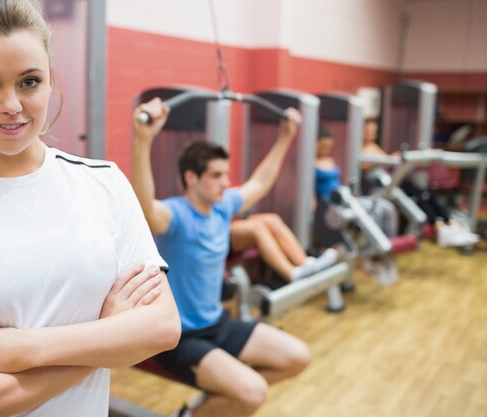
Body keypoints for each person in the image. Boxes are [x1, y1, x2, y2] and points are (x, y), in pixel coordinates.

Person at [0, 1, 180, 416]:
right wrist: (106, 338)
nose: (11, 104)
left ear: (49, 81)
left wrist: (27, 349)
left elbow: (162, 327)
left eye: (28, 81)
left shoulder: (104, 182)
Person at [131, 99, 310, 417]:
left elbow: (261, 182)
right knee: (253, 393)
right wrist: (143, 140)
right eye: (216, 176)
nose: (226, 183)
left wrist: (286, 137)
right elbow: (145, 205)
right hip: (181, 338)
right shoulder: (175, 216)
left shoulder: (222, 206)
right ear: (191, 178)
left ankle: (208, 407)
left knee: (297, 356)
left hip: (218, 324)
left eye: (226, 175)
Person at [360, 119, 479, 248]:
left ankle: (449, 224)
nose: (372, 133)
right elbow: (366, 164)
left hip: (389, 181)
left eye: (374, 131)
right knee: (419, 196)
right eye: (369, 130)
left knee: (426, 193)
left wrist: (392, 157)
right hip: (379, 186)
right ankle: (440, 228)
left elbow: (384, 160)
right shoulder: (361, 149)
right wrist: (385, 159)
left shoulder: (374, 147)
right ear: (362, 131)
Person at [315, 126, 399, 285]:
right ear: (315, 144)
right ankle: (371, 253)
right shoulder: (311, 164)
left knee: (385, 206)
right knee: (372, 212)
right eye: (323, 146)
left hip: (345, 198)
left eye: (329, 146)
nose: (326, 150)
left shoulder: (330, 160)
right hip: (329, 204)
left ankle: (382, 252)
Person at [230, 213, 338, 282]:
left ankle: (306, 263)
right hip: (218, 232)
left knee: (272, 219)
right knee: (257, 228)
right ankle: (292, 274)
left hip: (226, 218)